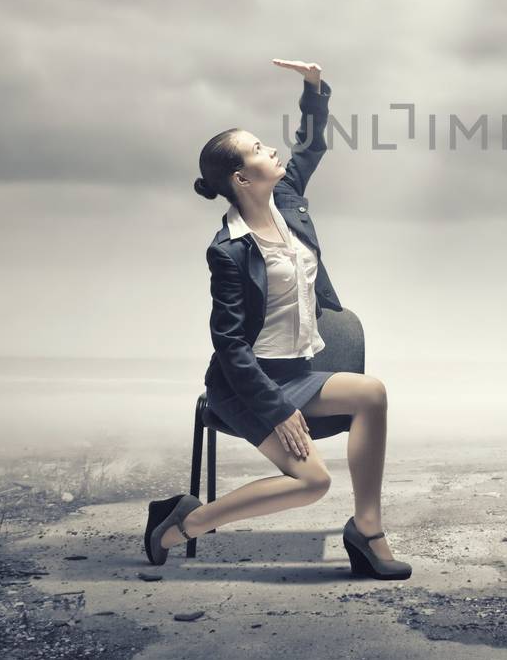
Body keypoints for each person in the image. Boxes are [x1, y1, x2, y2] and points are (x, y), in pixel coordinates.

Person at [143, 59, 410, 579]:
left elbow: (311, 146)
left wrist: (313, 88)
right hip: (247, 386)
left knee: (371, 393)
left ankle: (367, 529)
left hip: (297, 375)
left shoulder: (287, 199)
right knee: (313, 483)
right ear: (242, 177)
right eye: (260, 148)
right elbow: (231, 348)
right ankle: (178, 526)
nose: (272, 150)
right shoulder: (228, 251)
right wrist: (279, 411)